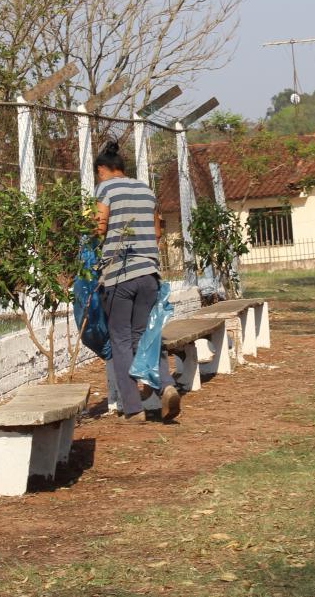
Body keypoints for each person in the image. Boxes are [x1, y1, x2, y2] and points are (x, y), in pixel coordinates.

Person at [94, 141, 180, 423]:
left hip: (119, 275)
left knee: (119, 339)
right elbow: (157, 232)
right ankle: (165, 383)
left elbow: (99, 226)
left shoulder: (105, 188)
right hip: (149, 274)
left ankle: (133, 408)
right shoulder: (145, 189)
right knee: (145, 336)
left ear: (102, 170)